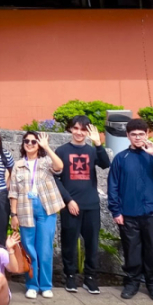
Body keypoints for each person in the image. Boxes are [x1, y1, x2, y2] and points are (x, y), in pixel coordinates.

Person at [108, 119, 153, 301]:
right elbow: (112, 186)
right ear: (128, 136)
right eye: (134, 134)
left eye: (141, 134)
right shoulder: (121, 158)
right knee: (131, 251)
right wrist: (116, 211)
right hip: (129, 215)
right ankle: (132, 283)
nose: (138, 137)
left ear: (147, 135)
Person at [54, 116, 111, 295]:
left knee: (92, 243)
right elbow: (56, 178)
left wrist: (98, 144)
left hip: (91, 204)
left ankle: (90, 278)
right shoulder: (61, 151)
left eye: (83, 129)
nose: (79, 133)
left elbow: (105, 164)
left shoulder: (92, 151)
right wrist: (68, 200)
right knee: (69, 242)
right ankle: (70, 276)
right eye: (76, 128)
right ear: (70, 129)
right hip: (70, 204)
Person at [9, 131, 65, 300]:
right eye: (27, 141)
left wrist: (46, 147)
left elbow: (59, 166)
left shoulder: (46, 161)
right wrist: (13, 214)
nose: (30, 144)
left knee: (45, 249)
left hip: (45, 208)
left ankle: (46, 285)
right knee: (29, 248)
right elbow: (13, 192)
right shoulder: (18, 165)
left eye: (34, 141)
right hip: (25, 209)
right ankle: (32, 284)